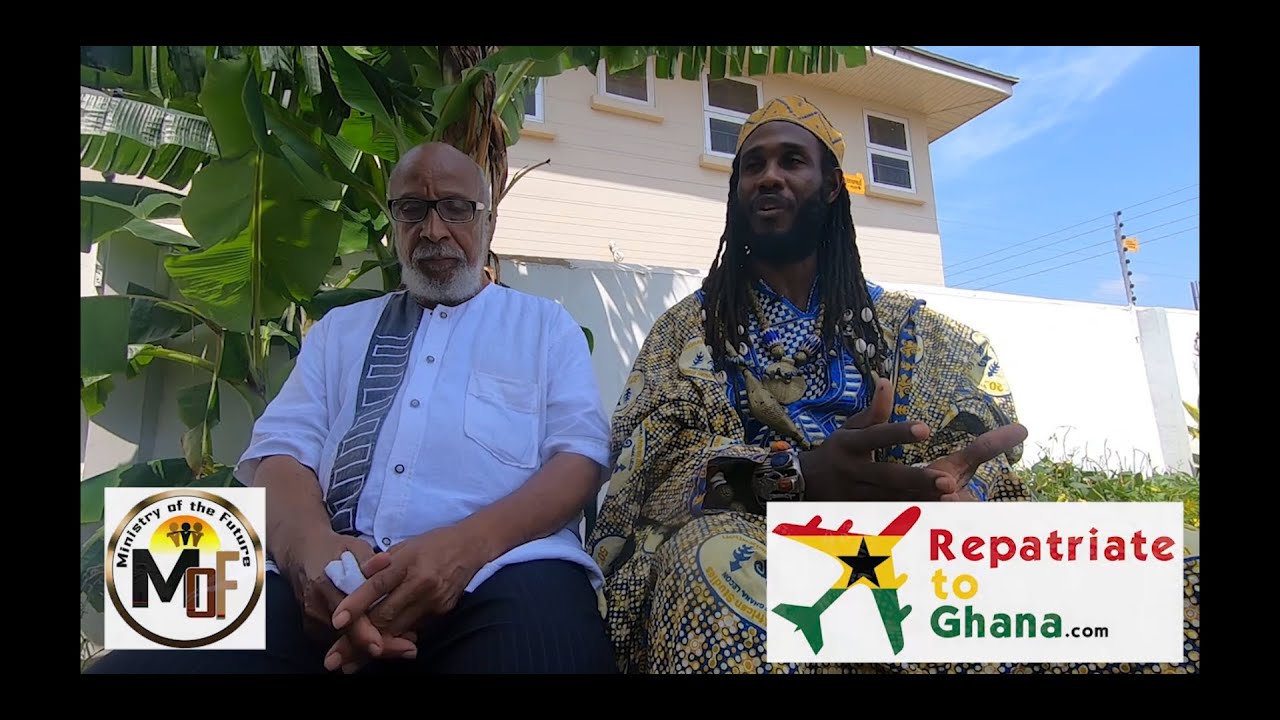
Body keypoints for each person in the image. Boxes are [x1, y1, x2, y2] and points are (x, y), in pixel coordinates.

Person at [585, 96, 1199, 675]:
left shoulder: (923, 332)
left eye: (791, 161)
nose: (768, 176)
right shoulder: (686, 331)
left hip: (919, 550)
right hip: (761, 551)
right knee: (713, 566)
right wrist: (795, 477)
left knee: (1174, 569)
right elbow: (647, 470)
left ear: (831, 186)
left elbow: (976, 448)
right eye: (753, 166)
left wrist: (960, 491)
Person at [89, 141, 618, 675]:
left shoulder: (544, 326)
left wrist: (463, 549)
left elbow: (579, 457)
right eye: (412, 209)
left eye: (457, 209)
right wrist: (310, 552)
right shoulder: (340, 330)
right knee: (131, 668)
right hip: (327, 572)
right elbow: (280, 454)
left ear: (489, 222)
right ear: (395, 223)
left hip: (501, 568)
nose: (433, 230)